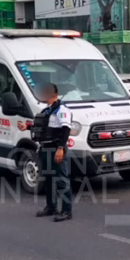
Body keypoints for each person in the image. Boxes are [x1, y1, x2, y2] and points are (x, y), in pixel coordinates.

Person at [31, 83, 73, 222]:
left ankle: (66, 211)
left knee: (61, 180)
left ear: (53, 95)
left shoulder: (61, 110)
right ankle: (51, 206)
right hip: (45, 148)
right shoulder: (48, 110)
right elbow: (44, 127)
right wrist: (27, 126)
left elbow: (66, 130)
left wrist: (60, 148)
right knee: (49, 179)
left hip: (55, 149)